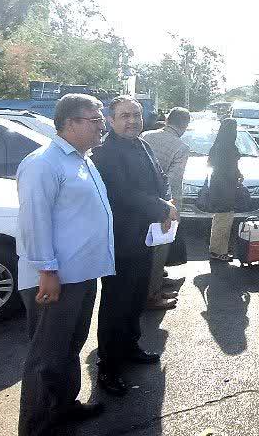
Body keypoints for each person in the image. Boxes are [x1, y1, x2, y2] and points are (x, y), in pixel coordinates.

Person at [15, 94, 116, 435]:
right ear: (70, 123)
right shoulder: (43, 163)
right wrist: (47, 271)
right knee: (46, 357)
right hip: (55, 278)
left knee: (69, 347)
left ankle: (63, 408)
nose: (102, 126)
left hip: (81, 274)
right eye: (95, 120)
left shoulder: (82, 160)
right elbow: (34, 221)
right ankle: (37, 427)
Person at [91, 96, 179, 396]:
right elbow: (122, 193)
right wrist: (162, 208)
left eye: (136, 115)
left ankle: (130, 347)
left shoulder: (142, 145)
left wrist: (167, 201)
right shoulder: (106, 153)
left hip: (145, 238)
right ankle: (108, 366)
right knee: (116, 303)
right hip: (121, 240)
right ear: (111, 120)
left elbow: (161, 178)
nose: (132, 121)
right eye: (125, 116)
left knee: (136, 298)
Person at [141, 107, 192, 310]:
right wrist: (171, 210)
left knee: (144, 249)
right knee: (159, 249)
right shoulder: (181, 147)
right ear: (184, 125)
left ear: (168, 119)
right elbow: (173, 182)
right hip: (162, 204)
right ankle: (152, 296)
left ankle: (150, 286)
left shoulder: (146, 136)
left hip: (141, 200)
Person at [205, 118, 243, 262]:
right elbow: (231, 168)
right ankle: (218, 252)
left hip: (218, 186)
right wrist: (237, 175)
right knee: (223, 221)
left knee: (220, 220)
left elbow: (211, 164)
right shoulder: (229, 147)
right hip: (226, 189)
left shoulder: (217, 145)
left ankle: (219, 249)